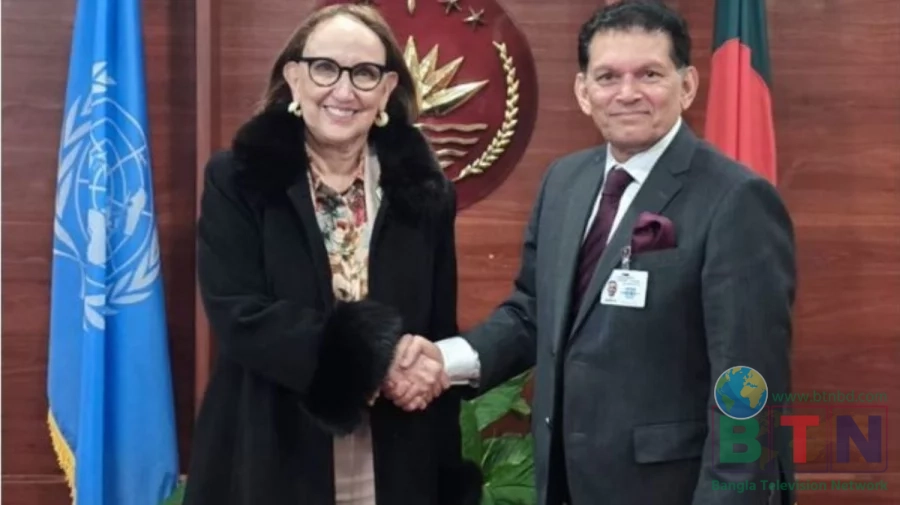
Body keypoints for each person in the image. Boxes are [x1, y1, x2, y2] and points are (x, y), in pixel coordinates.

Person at [387, 2, 797, 504]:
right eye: (607, 77)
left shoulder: (736, 199)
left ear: (687, 85)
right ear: (583, 92)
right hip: (564, 485)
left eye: (649, 74)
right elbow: (532, 312)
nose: (627, 93)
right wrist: (444, 360)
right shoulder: (564, 181)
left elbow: (747, 383)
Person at [183, 5, 481, 505]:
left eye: (364, 73)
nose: (344, 91)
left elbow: (435, 328)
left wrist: (426, 371)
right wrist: (372, 359)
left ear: (387, 89)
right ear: (294, 78)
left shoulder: (425, 191)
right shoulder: (239, 178)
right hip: (272, 451)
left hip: (398, 458)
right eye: (325, 68)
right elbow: (240, 313)